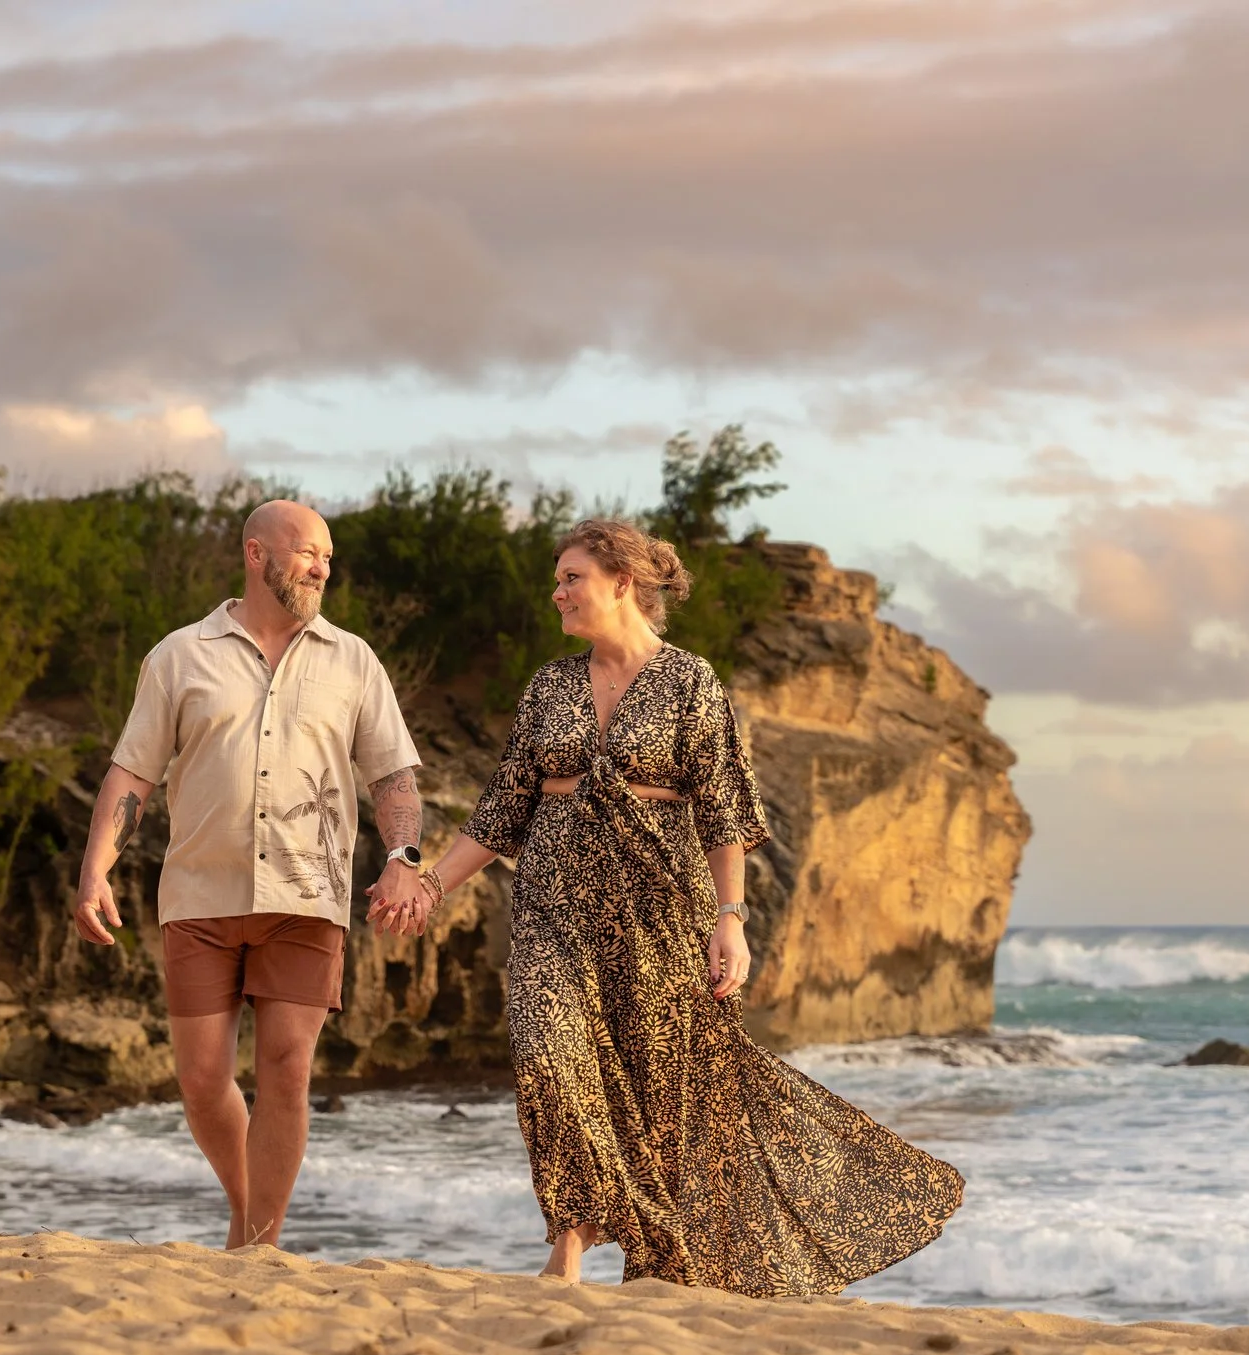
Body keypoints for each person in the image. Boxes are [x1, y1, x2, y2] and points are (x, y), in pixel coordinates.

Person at [373, 518, 962, 1297]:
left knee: (660, 1088)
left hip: (659, 911)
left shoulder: (690, 682)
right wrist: (431, 884)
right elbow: (500, 812)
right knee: (550, 1056)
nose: (557, 591)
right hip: (554, 904)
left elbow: (722, 812)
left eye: (571, 577)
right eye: (558, 578)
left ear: (623, 583)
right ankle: (572, 1243)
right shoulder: (549, 685)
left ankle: (657, 1256)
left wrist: (731, 917)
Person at [75, 500, 428, 1250]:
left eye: (328, 557)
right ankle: (246, 1207)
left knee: (287, 1069)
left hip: (308, 895)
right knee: (203, 1081)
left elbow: (394, 778)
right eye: (307, 553)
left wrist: (403, 860)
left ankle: (260, 1242)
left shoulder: (353, 659)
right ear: (255, 552)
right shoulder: (180, 655)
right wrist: (94, 871)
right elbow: (133, 773)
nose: (322, 568)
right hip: (199, 893)